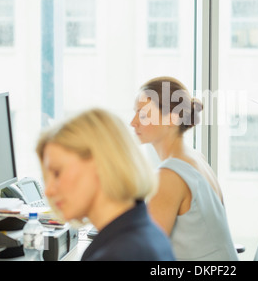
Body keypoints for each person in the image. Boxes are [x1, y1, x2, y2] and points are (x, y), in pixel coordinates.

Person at [36, 108, 175, 261]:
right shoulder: (146, 232)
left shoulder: (117, 255)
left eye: (57, 173)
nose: (48, 191)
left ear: (100, 163)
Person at [130, 76, 238, 261]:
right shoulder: (195, 158)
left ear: (171, 119)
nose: (133, 122)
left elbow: (147, 255)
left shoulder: (169, 176)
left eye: (143, 115)